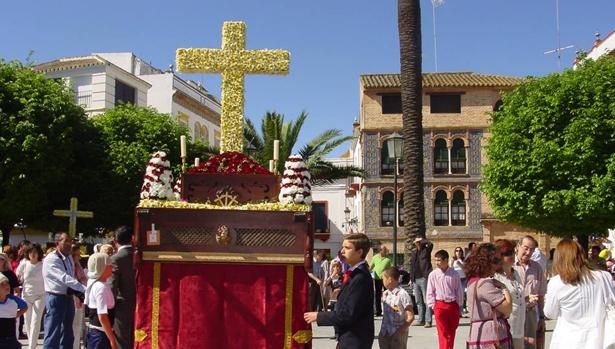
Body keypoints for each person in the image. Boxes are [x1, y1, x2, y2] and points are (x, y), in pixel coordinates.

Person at [304, 233, 374, 349]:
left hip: (355, 341)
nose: (342, 251)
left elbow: (347, 314)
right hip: (347, 338)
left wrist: (319, 316)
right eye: (342, 247)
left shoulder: (360, 277)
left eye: (347, 248)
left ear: (360, 252)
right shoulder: (354, 273)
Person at [544, 239, 615, 349]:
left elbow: (550, 313)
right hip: (598, 340)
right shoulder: (604, 277)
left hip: (568, 340)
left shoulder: (556, 282)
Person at [42, 232, 87, 349]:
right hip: (55, 298)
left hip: (68, 297)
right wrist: (84, 289)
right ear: (57, 243)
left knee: (67, 331)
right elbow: (64, 278)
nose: (69, 244)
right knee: (53, 332)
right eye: (66, 241)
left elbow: (72, 276)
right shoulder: (52, 259)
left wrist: (78, 292)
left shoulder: (69, 258)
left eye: (70, 241)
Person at [465, 243, 513, 349]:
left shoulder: (472, 282)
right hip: (491, 337)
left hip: (478, 334)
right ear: (485, 262)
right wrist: (504, 287)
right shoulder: (485, 284)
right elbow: (507, 308)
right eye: (495, 261)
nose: (498, 265)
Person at [513, 236, 546, 349]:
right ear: (518, 247)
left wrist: (542, 317)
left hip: (531, 314)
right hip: (513, 314)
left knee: (530, 346)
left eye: (532, 249)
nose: (528, 252)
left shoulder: (537, 268)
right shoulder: (509, 266)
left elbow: (541, 295)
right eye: (525, 248)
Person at [427, 250, 463, 349]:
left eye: (439, 260)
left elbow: (459, 290)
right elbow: (430, 291)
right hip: (440, 305)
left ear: (446, 260)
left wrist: (459, 305)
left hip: (452, 306)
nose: (437, 263)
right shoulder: (433, 275)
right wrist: (433, 306)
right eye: (436, 261)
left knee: (451, 332)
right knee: (443, 333)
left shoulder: (454, 274)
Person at [495, 239, 526, 349]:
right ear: (499, 256)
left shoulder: (516, 272)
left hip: (519, 325)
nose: (512, 255)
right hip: (505, 327)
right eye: (507, 253)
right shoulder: (496, 277)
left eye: (512, 252)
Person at [110, 226, 136, 349]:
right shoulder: (141, 256)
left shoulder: (116, 258)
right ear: (132, 239)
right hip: (142, 305)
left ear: (115, 241)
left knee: (122, 342)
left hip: (122, 306)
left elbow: (112, 287)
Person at [84, 252, 118, 349]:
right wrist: (112, 340)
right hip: (100, 336)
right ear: (101, 267)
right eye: (109, 265)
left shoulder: (99, 284)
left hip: (99, 334)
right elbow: (102, 316)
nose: (112, 267)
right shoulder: (100, 287)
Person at [16, 243, 46, 349]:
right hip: (27, 296)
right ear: (27, 254)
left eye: (35, 252)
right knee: (28, 322)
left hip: (40, 296)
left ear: (39, 254)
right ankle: (32, 342)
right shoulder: (24, 263)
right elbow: (17, 274)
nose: (33, 254)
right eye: (30, 252)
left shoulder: (43, 264)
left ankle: (31, 346)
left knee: (35, 321)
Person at [379, 267, 414, 349]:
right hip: (385, 332)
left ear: (390, 279)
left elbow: (410, 316)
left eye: (383, 278)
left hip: (397, 334)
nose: (382, 281)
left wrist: (400, 331)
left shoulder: (402, 294)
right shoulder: (385, 294)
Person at [409, 237, 433, 327]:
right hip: (416, 279)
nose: (418, 243)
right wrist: (411, 278)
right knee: (418, 301)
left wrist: (423, 240)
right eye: (416, 242)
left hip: (424, 278)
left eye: (419, 242)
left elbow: (431, 244)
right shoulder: (414, 252)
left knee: (427, 300)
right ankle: (421, 320)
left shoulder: (426, 251)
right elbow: (412, 266)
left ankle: (428, 321)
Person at [0, 273, 28, 349]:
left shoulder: (13, 299)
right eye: (2, 284)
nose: (6, 286)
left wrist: (16, 315)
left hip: (11, 338)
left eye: (7, 283)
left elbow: (25, 307)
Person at [71, 244, 87, 349]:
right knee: (74, 325)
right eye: (77, 255)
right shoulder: (71, 267)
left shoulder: (78, 266)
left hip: (79, 297)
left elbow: (83, 280)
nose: (79, 257)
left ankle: (76, 345)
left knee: (78, 325)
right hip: (73, 297)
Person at [370, 246, 392, 317]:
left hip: (385, 279)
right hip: (377, 279)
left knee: (387, 295)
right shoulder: (375, 258)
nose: (384, 251)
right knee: (377, 295)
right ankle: (378, 311)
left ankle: (387, 311)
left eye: (385, 250)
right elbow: (371, 267)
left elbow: (390, 270)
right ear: (380, 250)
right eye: (383, 250)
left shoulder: (388, 260)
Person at [449, 246, 467, 314]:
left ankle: (460, 311)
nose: (458, 252)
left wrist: (460, 264)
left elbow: (466, 269)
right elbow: (450, 269)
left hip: (463, 279)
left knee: (461, 295)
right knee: (455, 295)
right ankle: (456, 310)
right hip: (455, 279)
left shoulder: (464, 259)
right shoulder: (452, 260)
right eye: (457, 250)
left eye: (460, 251)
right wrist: (452, 263)